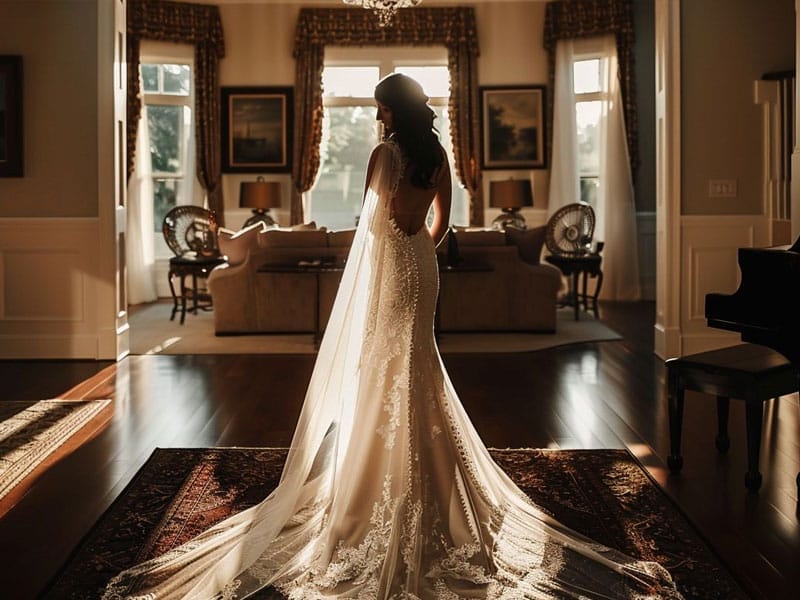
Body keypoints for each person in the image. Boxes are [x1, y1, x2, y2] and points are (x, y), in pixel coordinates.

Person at [103, 73, 682, 599]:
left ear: (388, 110)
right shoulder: (436, 155)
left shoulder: (383, 154)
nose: (376, 112)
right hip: (421, 270)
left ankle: (379, 476)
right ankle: (426, 478)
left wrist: (385, 262)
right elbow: (442, 223)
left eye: (379, 104)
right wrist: (417, 255)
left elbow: (370, 226)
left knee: (385, 362)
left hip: (390, 266)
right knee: (415, 361)